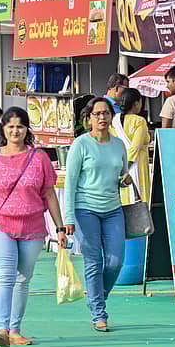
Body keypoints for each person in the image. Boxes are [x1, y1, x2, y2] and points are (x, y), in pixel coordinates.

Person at [0, 107, 65, 347]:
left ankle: (15, 329)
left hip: (32, 227)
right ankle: (1, 329)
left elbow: (49, 194)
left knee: (23, 278)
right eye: (10, 126)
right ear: (3, 129)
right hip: (1, 225)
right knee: (5, 277)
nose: (15, 130)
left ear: (27, 129)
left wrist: (60, 227)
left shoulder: (39, 158)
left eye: (20, 126)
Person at [64, 97, 131, 333]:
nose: (102, 118)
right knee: (94, 260)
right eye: (97, 114)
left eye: (106, 113)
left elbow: (122, 174)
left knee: (115, 261)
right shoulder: (81, 145)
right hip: (85, 209)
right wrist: (68, 218)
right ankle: (98, 313)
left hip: (113, 208)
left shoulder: (119, 145)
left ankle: (96, 295)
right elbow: (70, 183)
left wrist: (125, 180)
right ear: (88, 118)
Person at [112, 88, 151, 205]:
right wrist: (128, 165)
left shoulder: (114, 120)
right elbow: (135, 146)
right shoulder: (140, 121)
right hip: (137, 165)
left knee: (125, 200)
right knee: (141, 200)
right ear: (136, 103)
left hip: (119, 165)